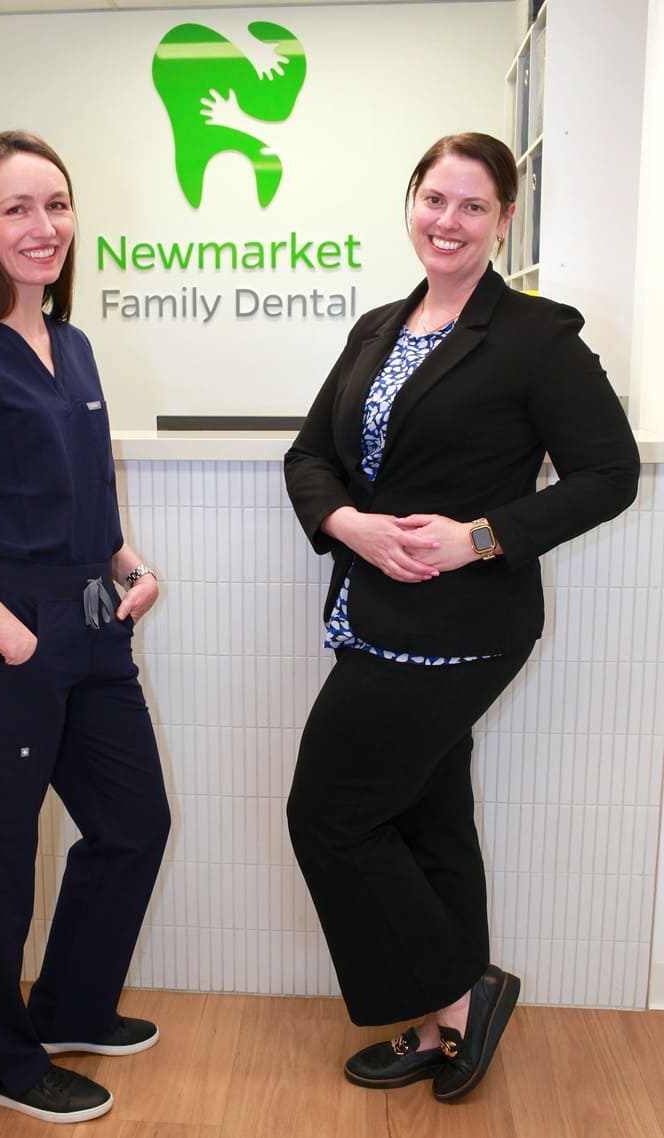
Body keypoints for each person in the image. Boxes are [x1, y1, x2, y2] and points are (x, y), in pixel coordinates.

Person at [283, 132, 640, 1104]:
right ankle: (443, 1023)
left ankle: (455, 989)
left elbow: (610, 474)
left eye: (470, 206)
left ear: (502, 219)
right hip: (372, 609)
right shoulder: (375, 328)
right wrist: (347, 521)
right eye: (432, 199)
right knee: (426, 809)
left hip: (465, 622)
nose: (445, 221)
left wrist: (478, 536)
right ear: (411, 201)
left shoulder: (534, 337)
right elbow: (308, 454)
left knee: (328, 813)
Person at [0, 131, 171, 1124]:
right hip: (6, 634)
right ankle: (0, 1063)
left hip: (93, 621)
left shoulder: (72, 340)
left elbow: (86, 491)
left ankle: (68, 1005)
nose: (43, 226)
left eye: (55, 204)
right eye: (16, 208)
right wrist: (13, 639)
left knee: (135, 823)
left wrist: (126, 564)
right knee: (2, 859)